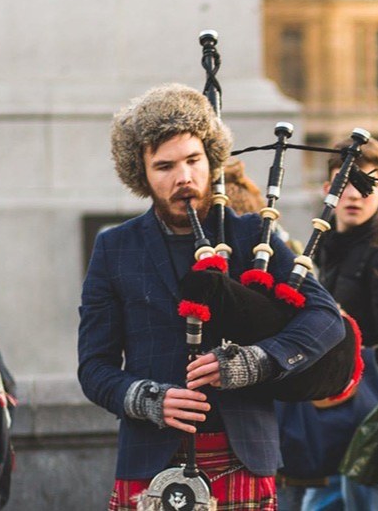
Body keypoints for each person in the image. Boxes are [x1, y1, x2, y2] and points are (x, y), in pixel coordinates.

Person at [77, 84, 343, 510]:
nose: (183, 177)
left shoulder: (252, 235)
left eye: (193, 160)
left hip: (244, 457)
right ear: (141, 174)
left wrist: (255, 361)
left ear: (211, 160)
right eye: (164, 166)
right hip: (149, 461)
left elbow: (327, 319)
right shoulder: (115, 248)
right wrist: (149, 399)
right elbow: (94, 367)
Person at [276, 138, 378, 511]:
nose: (354, 196)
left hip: (367, 411)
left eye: (365, 186)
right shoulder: (326, 246)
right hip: (334, 408)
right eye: (344, 185)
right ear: (328, 191)